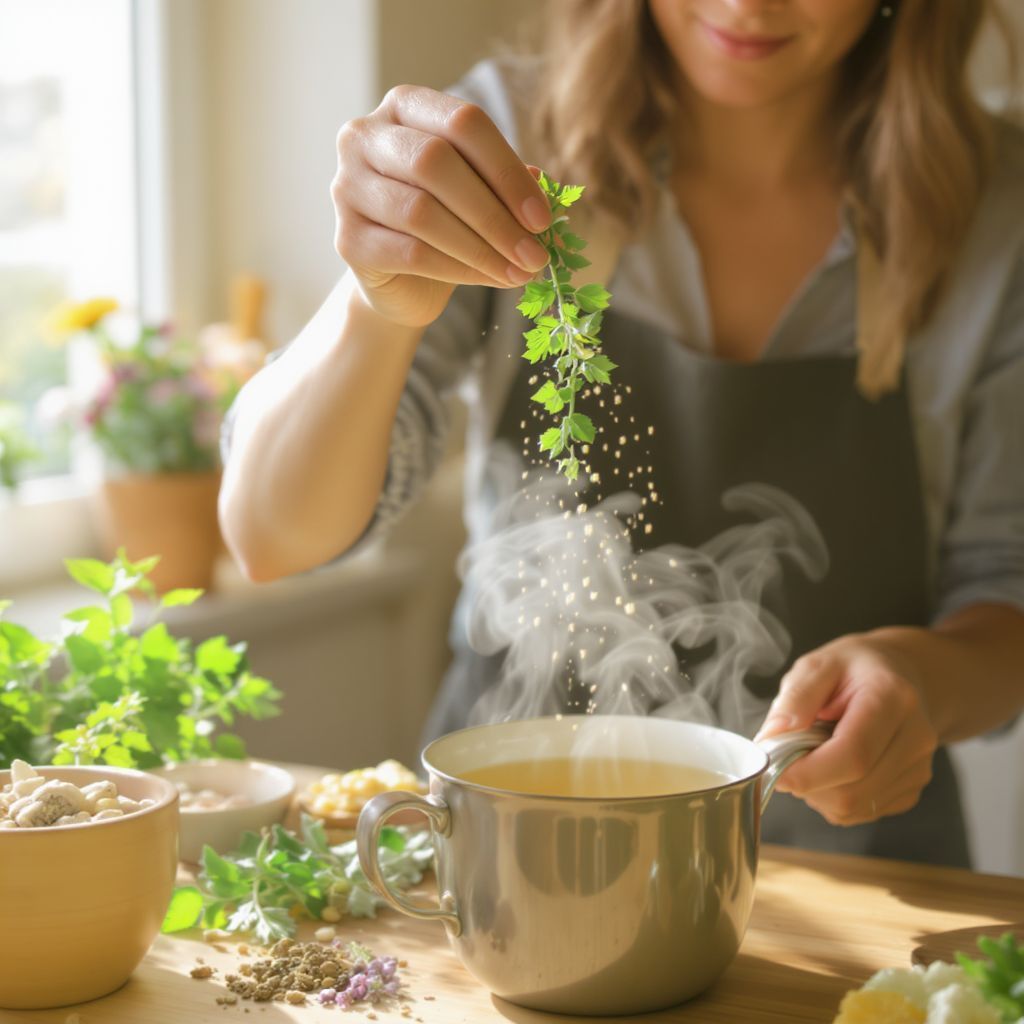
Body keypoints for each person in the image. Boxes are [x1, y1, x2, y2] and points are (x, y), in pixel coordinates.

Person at [219, 0, 1024, 866]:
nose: (748, 6)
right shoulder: (507, 146)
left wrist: (923, 679)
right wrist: (375, 303)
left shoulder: (997, 211)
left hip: (858, 874)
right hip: (507, 855)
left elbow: (1005, 590)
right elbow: (272, 537)